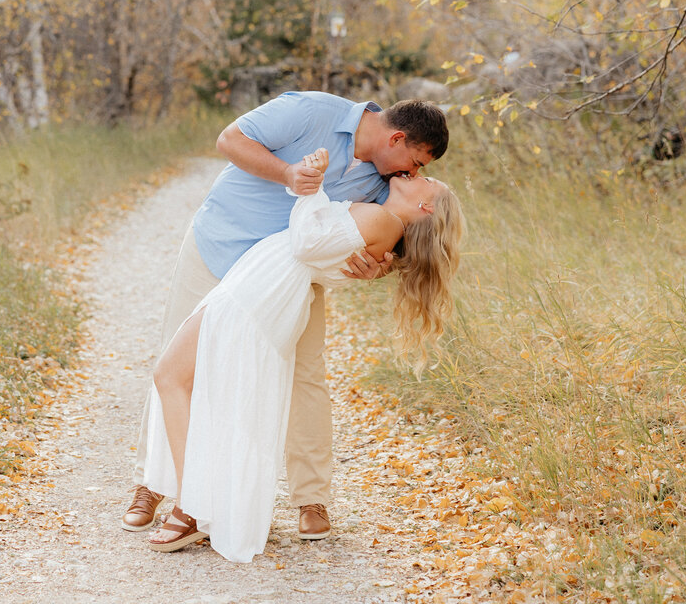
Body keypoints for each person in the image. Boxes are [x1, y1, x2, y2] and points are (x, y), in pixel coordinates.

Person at [123, 92, 449, 540]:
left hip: (285, 278)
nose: (412, 173)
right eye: (414, 162)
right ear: (396, 138)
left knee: (305, 374)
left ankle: (311, 497)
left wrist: (378, 266)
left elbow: (386, 235)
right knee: (179, 363)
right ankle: (152, 483)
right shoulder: (310, 111)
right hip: (220, 243)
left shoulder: (382, 182)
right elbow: (229, 139)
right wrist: (288, 173)